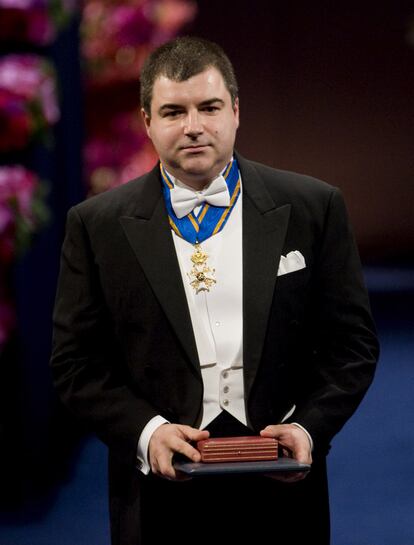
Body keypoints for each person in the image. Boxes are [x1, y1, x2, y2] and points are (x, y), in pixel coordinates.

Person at [50, 36, 379, 545]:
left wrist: (310, 428)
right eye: (173, 111)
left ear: (236, 111)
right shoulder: (96, 226)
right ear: (147, 121)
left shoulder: (315, 207)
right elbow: (75, 365)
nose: (194, 126)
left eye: (209, 107)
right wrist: (146, 432)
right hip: (159, 492)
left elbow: (352, 346)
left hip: (284, 485)